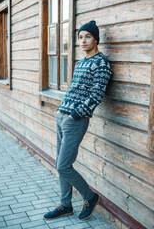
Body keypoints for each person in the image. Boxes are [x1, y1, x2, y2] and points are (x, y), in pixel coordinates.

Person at [44, 20, 112, 221]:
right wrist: (61, 110)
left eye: (87, 36)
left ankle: (90, 197)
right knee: (60, 163)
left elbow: (96, 95)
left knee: (63, 165)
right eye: (80, 37)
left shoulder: (101, 64)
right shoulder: (81, 62)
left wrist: (76, 113)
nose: (83, 40)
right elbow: (73, 89)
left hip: (76, 120)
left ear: (95, 39)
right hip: (62, 116)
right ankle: (66, 205)